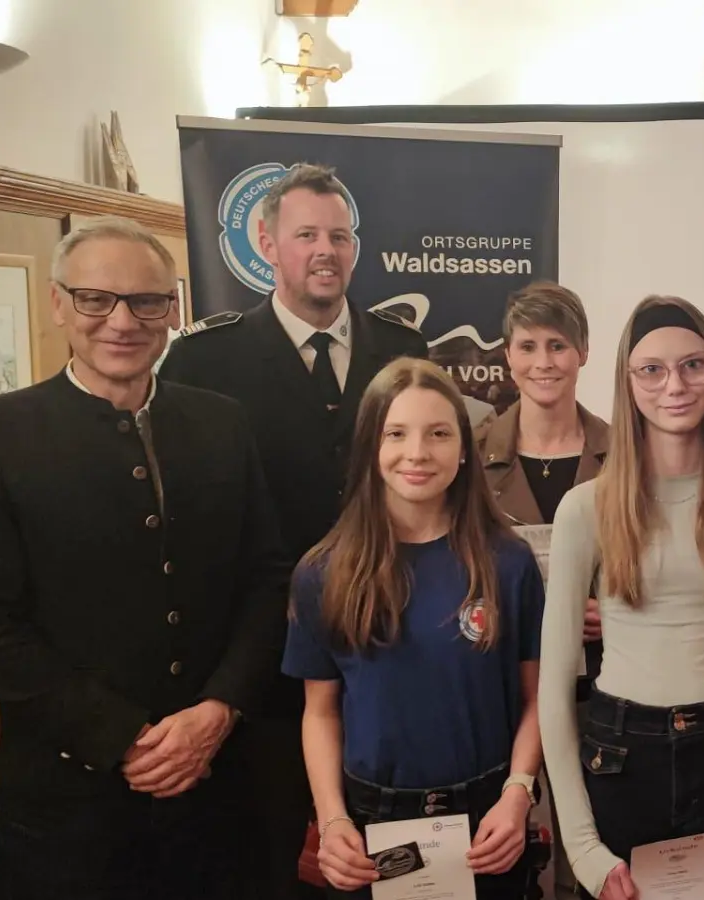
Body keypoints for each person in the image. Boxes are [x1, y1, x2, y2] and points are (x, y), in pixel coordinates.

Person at [0, 216, 290, 899]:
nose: (122, 321)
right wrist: (125, 737)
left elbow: (266, 578)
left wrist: (220, 708)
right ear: (58, 303)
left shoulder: (223, 422)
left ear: (172, 309)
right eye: (96, 298)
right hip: (70, 807)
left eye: (146, 301)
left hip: (220, 788)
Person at [159, 162, 430, 897]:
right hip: (267, 664)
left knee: (397, 863)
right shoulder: (201, 361)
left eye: (339, 236)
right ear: (266, 242)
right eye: (305, 233)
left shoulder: (405, 351)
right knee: (272, 857)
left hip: (394, 646)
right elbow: (189, 518)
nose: (325, 250)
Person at [538, 295, 704, 900]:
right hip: (619, 759)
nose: (675, 386)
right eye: (651, 369)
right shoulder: (586, 509)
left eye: (693, 365)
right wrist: (582, 847)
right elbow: (555, 683)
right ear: (627, 381)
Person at [282, 357, 545, 900]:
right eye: (396, 433)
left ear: (465, 448)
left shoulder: (508, 562)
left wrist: (518, 792)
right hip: (372, 828)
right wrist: (333, 820)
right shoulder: (322, 572)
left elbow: (538, 699)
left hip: (486, 821)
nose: (418, 453)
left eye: (439, 433)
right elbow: (320, 711)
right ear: (369, 447)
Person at [474, 281, 609, 900]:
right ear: (508, 356)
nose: (544, 362)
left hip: (605, 682)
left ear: (583, 352)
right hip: (508, 683)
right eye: (528, 346)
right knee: (517, 848)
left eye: (558, 345)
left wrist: (617, 611)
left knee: (598, 844)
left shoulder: (625, 453)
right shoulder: (472, 455)